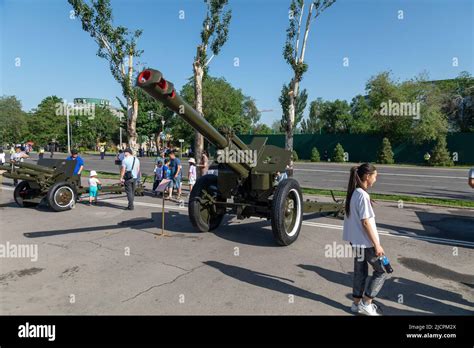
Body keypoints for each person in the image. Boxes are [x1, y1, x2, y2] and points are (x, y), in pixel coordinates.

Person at [343, 163, 387, 316]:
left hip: (356, 241)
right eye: (375, 175)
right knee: (382, 271)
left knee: (360, 272)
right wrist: (377, 245)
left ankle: (356, 304)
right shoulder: (363, 195)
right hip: (366, 243)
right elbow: (366, 222)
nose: (376, 178)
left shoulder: (354, 193)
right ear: (367, 176)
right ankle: (366, 303)